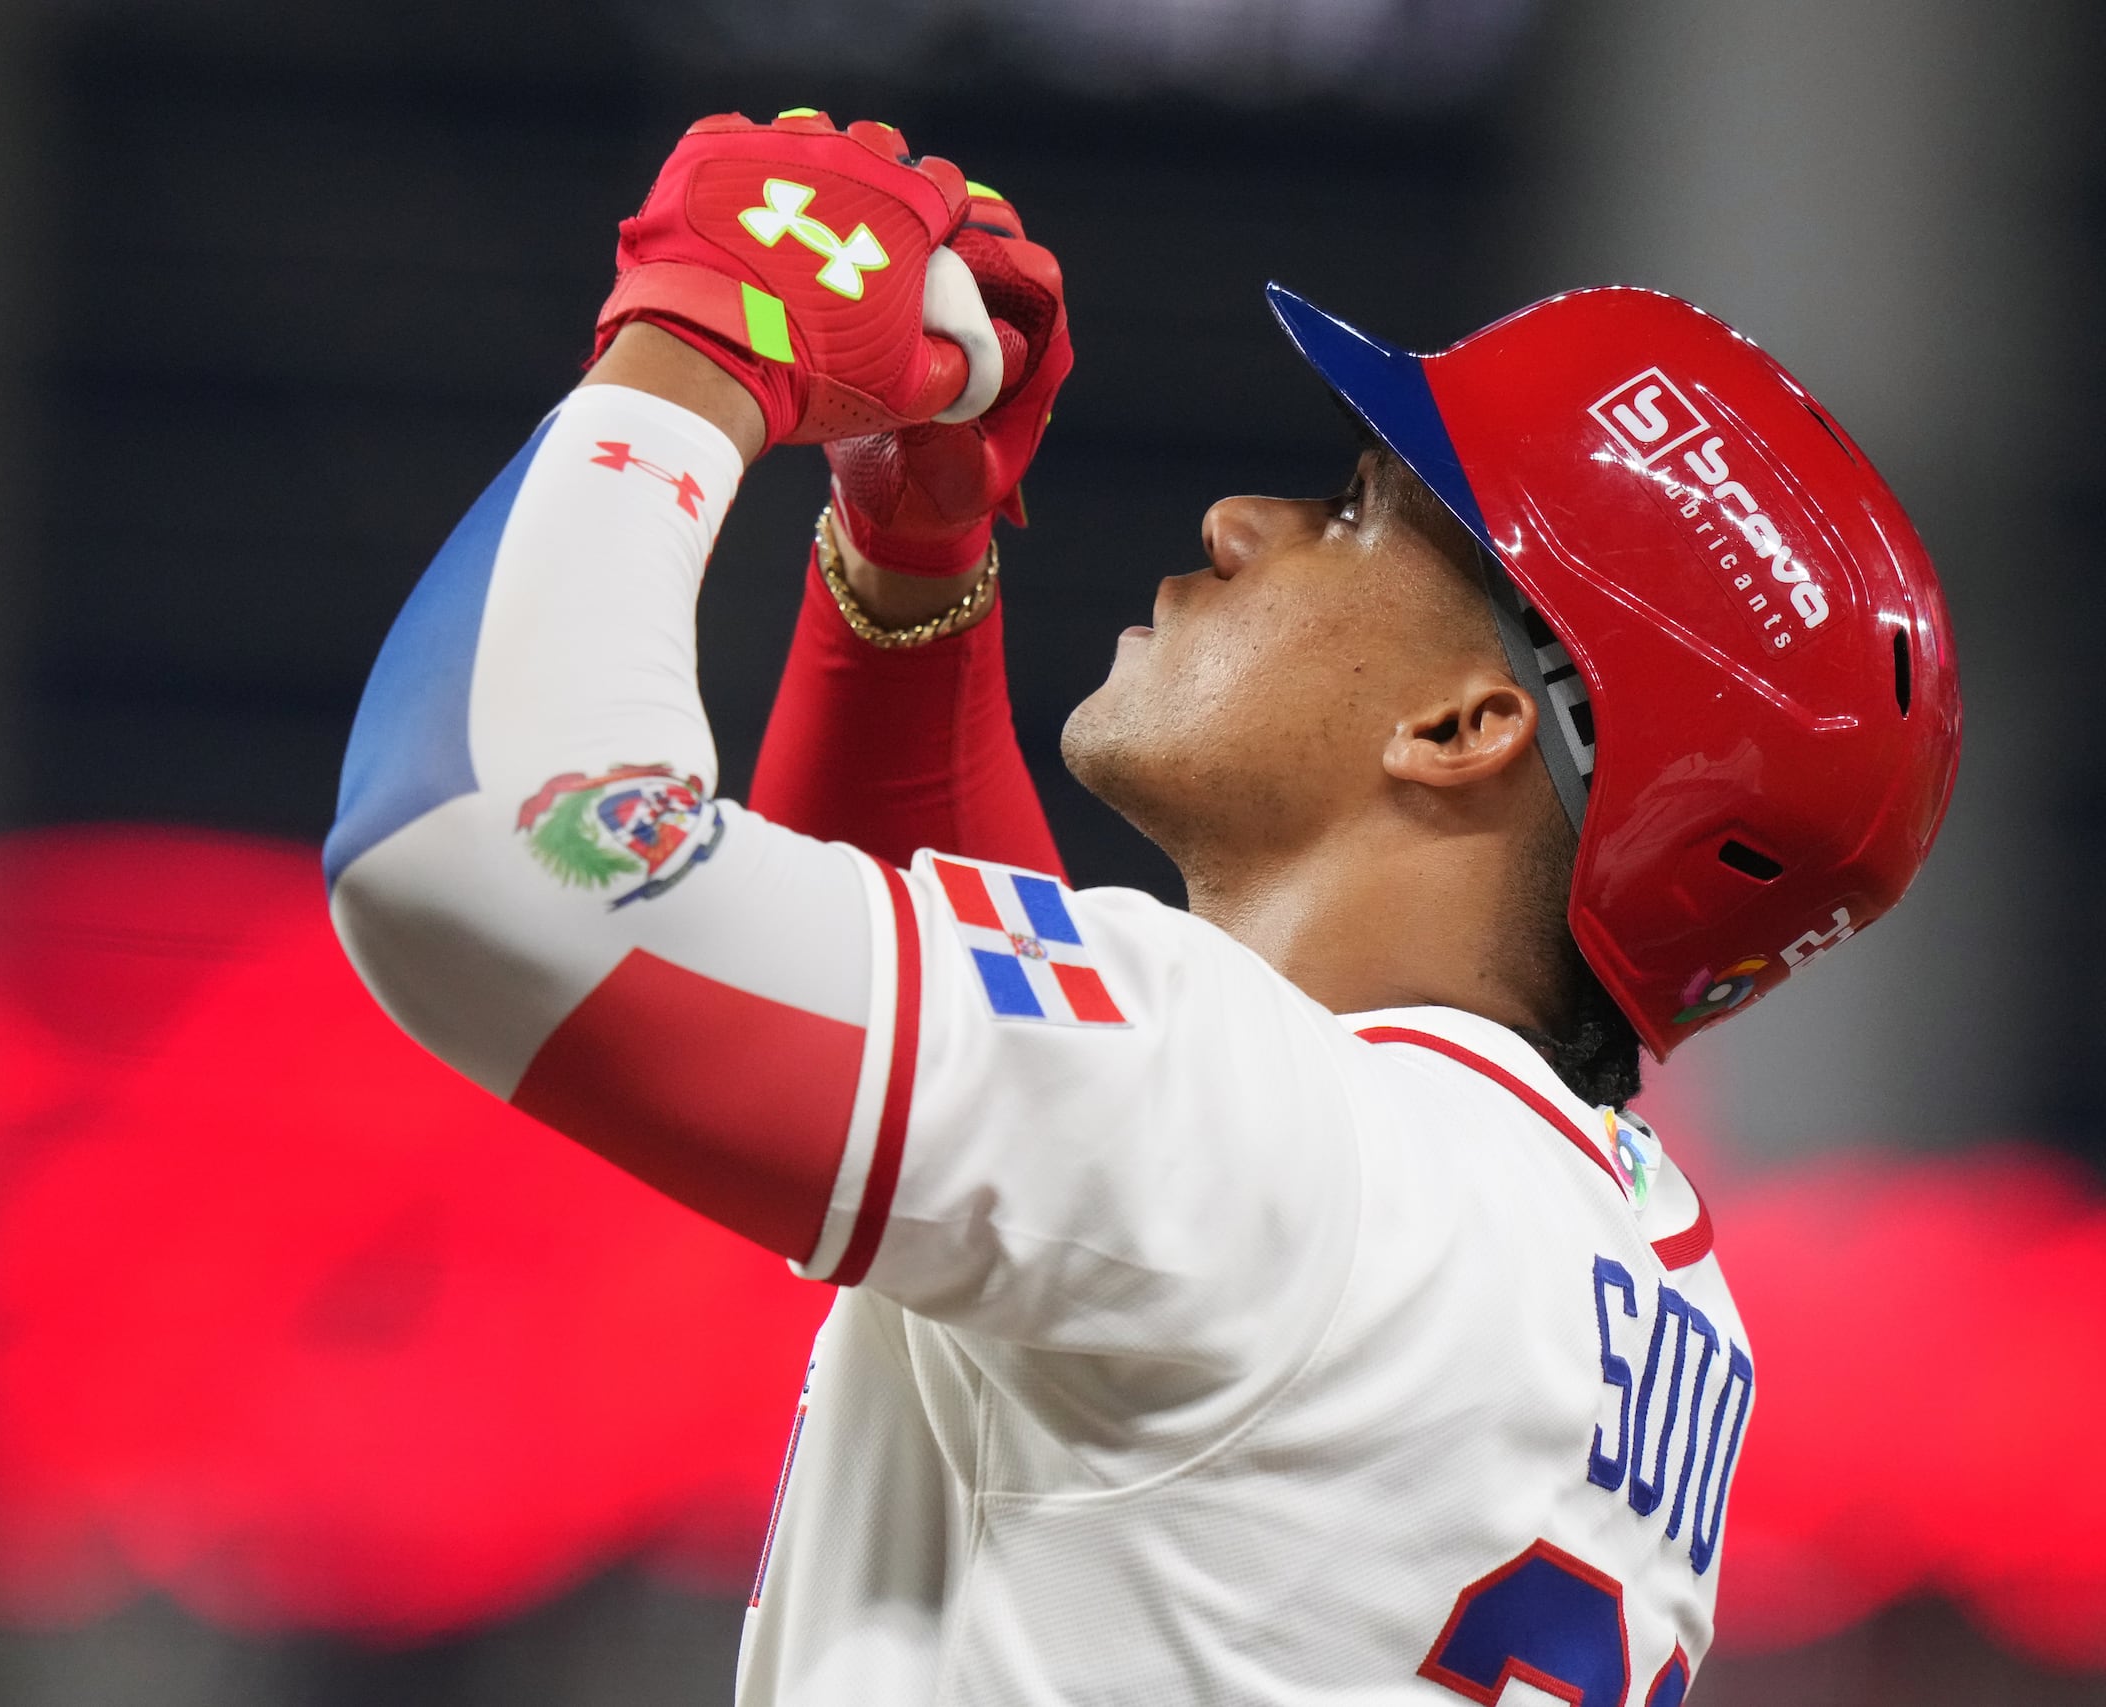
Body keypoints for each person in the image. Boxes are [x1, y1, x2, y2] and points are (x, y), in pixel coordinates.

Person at [325, 111, 1959, 1704]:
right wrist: (913, 551)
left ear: (1468, 725)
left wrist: (701, 342)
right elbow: (1031, 1130)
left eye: (1358, 514)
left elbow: (483, 853)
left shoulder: (1296, 1146)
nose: (1243, 523)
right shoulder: (1626, 1267)